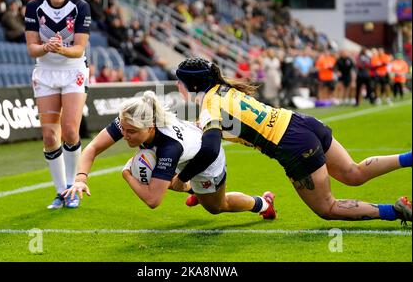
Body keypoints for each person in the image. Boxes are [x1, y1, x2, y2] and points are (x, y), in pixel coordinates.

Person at [174, 57, 412, 223]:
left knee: (327, 207)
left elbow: (211, 150)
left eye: (179, 81)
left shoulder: (209, 105)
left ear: (191, 85)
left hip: (292, 145)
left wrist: (182, 178)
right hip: (301, 122)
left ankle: (397, 211)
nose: (177, 85)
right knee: (353, 172)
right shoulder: (223, 90)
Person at [62, 91, 276, 219]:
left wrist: (126, 174)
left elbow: (153, 200)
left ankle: (264, 204)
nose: (124, 136)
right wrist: (81, 179)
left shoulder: (168, 147)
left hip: (205, 161)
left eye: (132, 132)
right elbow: (91, 149)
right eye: (123, 130)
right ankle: (193, 190)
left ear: (150, 127)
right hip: (186, 149)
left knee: (218, 207)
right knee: (157, 172)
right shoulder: (130, 119)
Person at [25, 0, 91, 209]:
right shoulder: (34, 7)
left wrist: (60, 48)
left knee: (71, 131)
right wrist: (45, 48)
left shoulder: (80, 7)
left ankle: (73, 188)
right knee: (50, 135)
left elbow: (79, 48)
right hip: (45, 73)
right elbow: (32, 47)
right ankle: (60, 190)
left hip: (73, 70)